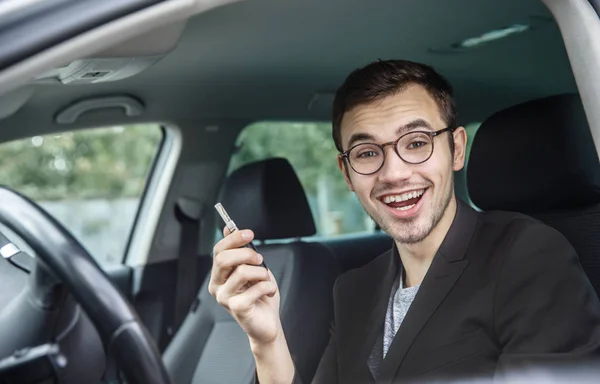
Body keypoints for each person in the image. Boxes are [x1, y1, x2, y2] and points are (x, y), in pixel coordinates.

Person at [208, 60, 600, 383]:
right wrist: (267, 339)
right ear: (347, 175)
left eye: (416, 143)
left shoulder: (529, 257)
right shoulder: (353, 289)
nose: (393, 173)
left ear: (456, 148)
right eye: (366, 153)